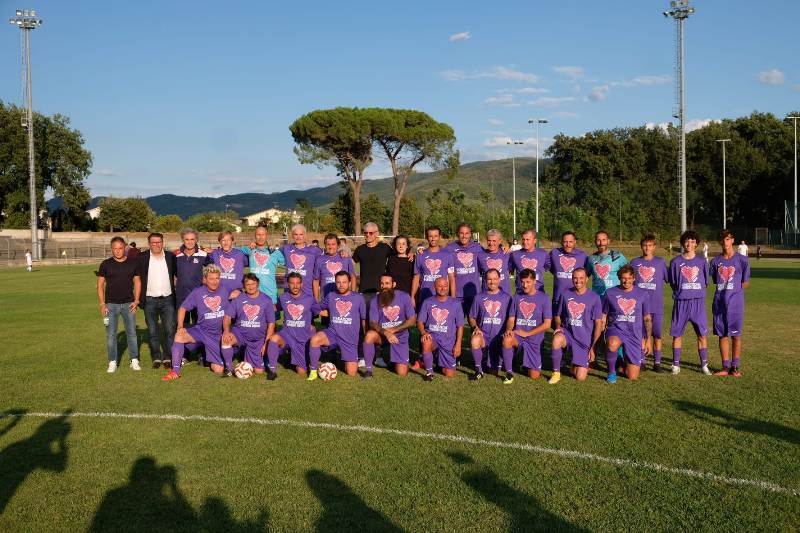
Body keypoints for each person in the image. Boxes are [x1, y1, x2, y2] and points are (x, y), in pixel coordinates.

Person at [164, 265, 230, 381]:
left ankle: (207, 358)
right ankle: (175, 371)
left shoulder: (224, 290)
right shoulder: (198, 292)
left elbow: (235, 298)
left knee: (218, 369)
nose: (214, 282)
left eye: (217, 278)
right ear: (205, 279)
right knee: (179, 335)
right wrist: (180, 326)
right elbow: (182, 308)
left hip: (216, 336)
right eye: (211, 279)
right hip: (201, 331)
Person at [309, 271, 367, 379]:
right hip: (332, 333)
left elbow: (364, 319)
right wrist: (326, 313)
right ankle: (313, 371)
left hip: (349, 339)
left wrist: (365, 336)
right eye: (338, 282)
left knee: (351, 373)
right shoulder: (331, 296)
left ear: (350, 282)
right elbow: (316, 308)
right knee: (315, 339)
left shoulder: (358, 298)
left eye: (344, 282)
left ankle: (345, 359)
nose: (341, 285)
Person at [668, 230, 711, 375]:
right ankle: (676, 365)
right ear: (682, 243)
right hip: (681, 303)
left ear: (696, 244)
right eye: (687, 241)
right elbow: (673, 283)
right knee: (677, 335)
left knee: (702, 335)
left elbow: (705, 282)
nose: (689, 244)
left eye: (693, 241)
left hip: (698, 303)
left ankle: (704, 365)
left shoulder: (702, 262)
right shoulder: (675, 262)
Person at [602, 264, 653, 384]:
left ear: (634, 278)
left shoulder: (643, 294)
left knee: (632, 376)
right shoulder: (610, 293)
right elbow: (603, 315)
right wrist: (602, 335)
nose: (626, 281)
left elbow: (647, 318)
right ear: (619, 278)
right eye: (623, 278)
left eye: (629, 278)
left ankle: (620, 360)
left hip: (634, 334)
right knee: (612, 344)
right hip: (616, 329)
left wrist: (648, 340)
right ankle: (611, 373)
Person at [97, 236, 141, 373]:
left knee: (132, 334)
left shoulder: (133, 263)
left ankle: (134, 360)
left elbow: (137, 282)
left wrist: (136, 300)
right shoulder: (105, 264)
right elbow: (100, 285)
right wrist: (102, 304)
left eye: (120, 248)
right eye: (114, 248)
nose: (117, 251)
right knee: (111, 335)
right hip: (111, 305)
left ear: (124, 248)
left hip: (129, 304)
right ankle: (112, 362)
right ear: (111, 249)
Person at [710, 229, 750, 377]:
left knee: (736, 335)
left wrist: (734, 292)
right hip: (719, 302)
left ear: (732, 240)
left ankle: (735, 367)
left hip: (736, 303)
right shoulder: (715, 261)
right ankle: (725, 367)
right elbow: (716, 281)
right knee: (722, 335)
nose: (725, 242)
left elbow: (745, 282)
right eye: (723, 240)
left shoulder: (742, 260)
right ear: (720, 242)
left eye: (728, 239)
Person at [551, 267, 602, 383]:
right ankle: (556, 373)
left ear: (587, 279)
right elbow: (557, 315)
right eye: (575, 278)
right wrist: (558, 327)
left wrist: (593, 347)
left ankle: (572, 360)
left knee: (580, 377)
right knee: (557, 339)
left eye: (581, 278)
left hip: (584, 341)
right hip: (568, 335)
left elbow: (598, 323)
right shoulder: (565, 294)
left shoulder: (594, 298)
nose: (578, 281)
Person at [266, 272, 321, 379]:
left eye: (297, 283)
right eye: (292, 283)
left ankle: (294, 357)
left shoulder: (310, 299)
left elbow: (319, 312)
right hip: (287, 335)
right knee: (274, 339)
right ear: (288, 284)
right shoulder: (283, 297)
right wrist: (260, 304)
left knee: (301, 371)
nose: (295, 286)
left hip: (302, 339)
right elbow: (276, 308)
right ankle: (272, 371)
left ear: (301, 284)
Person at [501, 269, 552, 384]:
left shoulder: (544, 298)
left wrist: (527, 333)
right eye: (523, 282)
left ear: (534, 281)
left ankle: (522, 360)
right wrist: (509, 329)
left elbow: (547, 324)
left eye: (528, 282)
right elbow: (511, 319)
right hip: (518, 336)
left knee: (534, 376)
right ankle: (509, 373)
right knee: (507, 339)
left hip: (534, 339)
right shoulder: (517, 297)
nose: (525, 285)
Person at [362, 273, 417, 377]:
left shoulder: (404, 297)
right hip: (383, 335)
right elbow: (372, 323)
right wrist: (386, 333)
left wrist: (395, 330)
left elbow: (412, 320)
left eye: (387, 283)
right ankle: (368, 370)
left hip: (400, 336)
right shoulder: (375, 300)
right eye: (382, 283)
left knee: (402, 373)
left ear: (393, 284)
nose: (384, 286)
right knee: (369, 335)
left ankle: (390, 359)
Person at [137, 232, 177, 369]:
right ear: (149, 244)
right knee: (153, 332)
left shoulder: (170, 257)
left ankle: (168, 356)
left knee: (170, 330)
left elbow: (177, 274)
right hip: (150, 300)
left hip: (168, 299)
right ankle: (156, 357)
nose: (156, 244)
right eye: (153, 242)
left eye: (159, 242)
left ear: (162, 243)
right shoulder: (142, 257)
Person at [222, 273, 276, 376]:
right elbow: (227, 317)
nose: (251, 287)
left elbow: (271, 323)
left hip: (258, 339)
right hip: (240, 334)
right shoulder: (238, 299)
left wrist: (266, 343)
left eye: (253, 284)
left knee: (259, 371)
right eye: (248, 284)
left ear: (257, 284)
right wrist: (226, 331)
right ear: (244, 286)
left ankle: (254, 356)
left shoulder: (266, 300)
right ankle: (228, 369)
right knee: (225, 339)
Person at [630, 234, 669, 372]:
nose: (647, 248)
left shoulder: (660, 262)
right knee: (641, 334)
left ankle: (657, 363)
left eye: (650, 245)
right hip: (640, 306)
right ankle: (642, 361)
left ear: (654, 247)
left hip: (656, 305)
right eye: (645, 245)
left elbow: (668, 279)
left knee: (657, 335)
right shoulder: (634, 263)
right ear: (641, 246)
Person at [417, 277, 465, 381]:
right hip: (432, 338)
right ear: (434, 287)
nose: (443, 288)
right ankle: (429, 373)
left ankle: (437, 361)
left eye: (445, 286)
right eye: (439, 286)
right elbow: (420, 321)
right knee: (426, 341)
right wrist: (423, 332)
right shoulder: (427, 302)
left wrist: (458, 344)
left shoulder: (456, 303)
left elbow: (460, 326)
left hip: (448, 342)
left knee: (449, 374)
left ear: (448, 287)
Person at [468, 269, 512, 380]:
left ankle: (502, 362)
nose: (492, 282)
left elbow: (511, 319)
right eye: (489, 279)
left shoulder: (507, 298)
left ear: (499, 279)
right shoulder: (479, 297)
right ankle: (478, 371)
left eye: (495, 279)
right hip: (484, 337)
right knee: (475, 339)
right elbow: (471, 317)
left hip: (499, 338)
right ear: (485, 280)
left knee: (493, 371)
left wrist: (508, 330)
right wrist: (475, 327)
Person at [174, 228, 212, 331]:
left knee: (198, 325)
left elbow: (212, 270)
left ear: (196, 240)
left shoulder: (203, 254)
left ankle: (199, 341)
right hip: (181, 296)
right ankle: (184, 342)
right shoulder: (176, 255)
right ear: (183, 240)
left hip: (198, 296)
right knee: (183, 326)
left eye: (192, 239)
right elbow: (174, 273)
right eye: (187, 239)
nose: (189, 242)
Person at [444, 223, 484, 317]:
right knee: (457, 322)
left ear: (470, 234)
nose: (464, 236)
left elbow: (490, 254)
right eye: (461, 233)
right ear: (458, 234)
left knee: (474, 322)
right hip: (456, 294)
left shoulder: (478, 247)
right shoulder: (449, 248)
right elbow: (436, 254)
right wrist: (418, 252)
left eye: (467, 233)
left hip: (474, 294)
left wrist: (502, 248)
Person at [412, 226, 456, 310]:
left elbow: (451, 278)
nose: (433, 239)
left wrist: (453, 297)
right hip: (424, 296)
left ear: (439, 237)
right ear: (427, 237)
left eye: (435, 236)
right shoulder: (420, 255)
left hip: (442, 297)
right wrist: (412, 296)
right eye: (430, 236)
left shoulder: (448, 255)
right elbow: (416, 277)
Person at [352, 222, 394, 309]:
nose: (367, 235)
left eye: (370, 233)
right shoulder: (360, 249)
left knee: (380, 316)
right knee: (364, 316)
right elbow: (349, 264)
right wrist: (343, 254)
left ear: (376, 234)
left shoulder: (385, 247)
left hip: (381, 290)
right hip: (364, 291)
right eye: (365, 233)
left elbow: (399, 256)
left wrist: (410, 253)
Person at [241, 225, 284, 306]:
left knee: (272, 314)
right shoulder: (250, 250)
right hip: (253, 293)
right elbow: (232, 251)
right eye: (258, 235)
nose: (260, 237)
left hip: (270, 294)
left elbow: (289, 262)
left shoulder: (275, 252)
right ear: (255, 236)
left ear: (266, 236)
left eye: (263, 234)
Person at [547, 231, 588, 316]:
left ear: (575, 242)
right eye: (565, 242)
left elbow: (587, 272)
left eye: (570, 242)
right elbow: (551, 268)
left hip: (576, 299)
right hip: (558, 298)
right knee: (556, 322)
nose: (568, 244)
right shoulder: (554, 253)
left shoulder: (582, 255)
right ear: (561, 242)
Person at [280, 224, 322, 297]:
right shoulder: (286, 248)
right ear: (292, 235)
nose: (298, 237)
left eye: (301, 234)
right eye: (296, 234)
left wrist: (342, 252)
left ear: (305, 235)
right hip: (289, 292)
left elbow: (329, 255)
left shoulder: (314, 250)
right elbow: (269, 253)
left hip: (307, 292)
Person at [313, 233, 355, 302]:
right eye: (328, 244)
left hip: (344, 300)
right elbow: (316, 280)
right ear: (325, 245)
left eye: (333, 244)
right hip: (326, 300)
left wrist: (353, 295)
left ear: (338, 245)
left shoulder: (345, 258)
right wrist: (316, 300)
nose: (330, 247)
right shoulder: (319, 260)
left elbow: (352, 277)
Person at [587, 230, 627, 297]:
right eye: (598, 240)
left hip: (614, 297)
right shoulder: (591, 258)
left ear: (608, 241)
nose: (601, 243)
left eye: (604, 240)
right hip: (597, 297)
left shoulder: (618, 256)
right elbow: (585, 277)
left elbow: (629, 275)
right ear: (595, 242)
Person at [209, 231, 249, 299]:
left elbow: (252, 261)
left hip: (236, 294)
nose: (226, 243)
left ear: (232, 241)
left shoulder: (240, 254)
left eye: (228, 240)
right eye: (223, 240)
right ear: (219, 242)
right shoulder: (215, 253)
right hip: (219, 294)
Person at [510, 229, 550, 295]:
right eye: (523, 239)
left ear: (535, 241)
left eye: (527, 239)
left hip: (539, 293)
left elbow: (547, 267)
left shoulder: (543, 254)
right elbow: (509, 269)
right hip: (520, 293)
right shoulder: (515, 255)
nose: (525, 242)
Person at [478, 229, 512, 294]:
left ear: (500, 241)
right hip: (487, 295)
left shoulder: (507, 254)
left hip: (505, 295)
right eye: (489, 240)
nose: (491, 243)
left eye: (494, 241)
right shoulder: (480, 255)